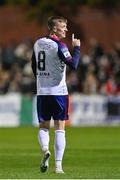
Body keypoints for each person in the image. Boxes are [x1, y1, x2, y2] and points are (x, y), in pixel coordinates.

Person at [31, 16, 81, 174]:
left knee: (43, 126)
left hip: (42, 91)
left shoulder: (38, 43)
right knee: (60, 128)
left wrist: (42, 81)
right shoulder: (60, 45)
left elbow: (34, 66)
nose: (66, 29)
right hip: (59, 92)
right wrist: (77, 48)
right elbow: (73, 65)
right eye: (63, 26)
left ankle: (45, 149)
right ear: (53, 28)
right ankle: (58, 166)